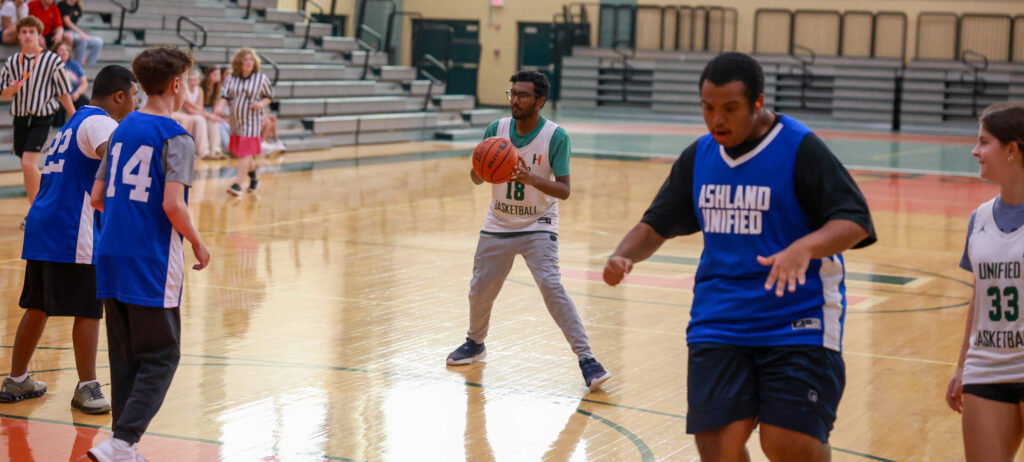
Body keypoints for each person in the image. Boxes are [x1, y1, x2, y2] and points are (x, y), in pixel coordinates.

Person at [602, 52, 875, 461]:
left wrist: (804, 247)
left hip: (796, 319)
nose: (717, 120)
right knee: (719, 448)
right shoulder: (700, 156)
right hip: (720, 319)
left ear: (757, 103)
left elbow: (855, 220)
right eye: (708, 108)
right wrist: (623, 255)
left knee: (786, 443)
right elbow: (656, 223)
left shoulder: (799, 147)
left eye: (730, 109)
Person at [445, 70, 611, 392]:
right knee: (480, 289)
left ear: (540, 101)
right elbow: (476, 177)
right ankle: (475, 343)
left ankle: (587, 359)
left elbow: (564, 190)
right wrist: (482, 168)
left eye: (523, 95)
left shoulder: (555, 136)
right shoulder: (496, 130)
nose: (516, 100)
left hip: (538, 223)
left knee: (551, 285)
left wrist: (531, 178)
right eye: (513, 94)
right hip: (499, 221)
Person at [86, 45, 210, 462]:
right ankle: (123, 442)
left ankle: (123, 447)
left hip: (110, 253)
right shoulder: (177, 137)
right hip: (149, 260)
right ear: (176, 84)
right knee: (161, 355)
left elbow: (97, 197)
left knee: (124, 356)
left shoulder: (121, 130)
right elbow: (173, 205)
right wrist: (197, 241)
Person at [0, 65, 137, 416]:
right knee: (89, 309)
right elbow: (118, 159)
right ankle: (87, 386)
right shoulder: (102, 123)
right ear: (119, 96)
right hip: (72, 228)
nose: (136, 103)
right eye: (134, 96)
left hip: (44, 223)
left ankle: (17, 379)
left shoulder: (73, 123)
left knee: (39, 305)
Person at [946, 102, 1024, 462]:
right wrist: (962, 364)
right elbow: (978, 295)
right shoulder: (979, 218)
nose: (975, 151)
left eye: (983, 142)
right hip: (986, 367)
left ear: (1012, 149)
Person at [0, 16, 74, 228]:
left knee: (28, 163)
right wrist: (11, 89)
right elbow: (4, 94)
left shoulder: (52, 61)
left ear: (39, 35)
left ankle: (37, 213)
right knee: (27, 166)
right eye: (24, 32)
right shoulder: (13, 62)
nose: (27, 35)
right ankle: (45, 205)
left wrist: (75, 115)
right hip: (21, 118)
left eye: (31, 32)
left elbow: (63, 92)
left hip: (42, 116)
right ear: (19, 35)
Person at [213, 48, 272, 195]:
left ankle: (237, 185)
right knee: (244, 152)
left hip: (252, 120)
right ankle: (254, 178)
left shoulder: (261, 78)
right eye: (246, 59)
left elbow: (268, 96)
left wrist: (260, 104)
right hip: (235, 120)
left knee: (245, 151)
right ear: (239, 62)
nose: (249, 62)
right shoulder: (231, 78)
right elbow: (224, 96)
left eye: (251, 59)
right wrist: (220, 107)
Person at [172, 69, 224, 159]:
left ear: (199, 81)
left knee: (212, 121)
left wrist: (209, 116)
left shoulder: (199, 90)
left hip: (195, 113)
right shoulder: (184, 90)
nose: (193, 82)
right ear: (186, 81)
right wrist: (208, 115)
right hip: (185, 113)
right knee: (201, 119)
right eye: (190, 80)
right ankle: (203, 151)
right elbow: (189, 110)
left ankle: (215, 150)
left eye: (195, 80)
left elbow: (199, 108)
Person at [50, 40, 84, 126]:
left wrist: (77, 93)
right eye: (61, 50)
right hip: (58, 97)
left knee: (86, 104)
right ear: (55, 52)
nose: (64, 52)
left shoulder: (74, 65)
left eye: (67, 50)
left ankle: (83, 127)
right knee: (59, 109)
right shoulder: (52, 65)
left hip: (74, 95)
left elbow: (84, 83)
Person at [57, 0, 101, 65]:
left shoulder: (77, 7)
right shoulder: (62, 4)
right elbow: (67, 22)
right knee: (82, 40)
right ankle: (78, 65)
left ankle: (90, 64)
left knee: (98, 42)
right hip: (64, 31)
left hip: (74, 32)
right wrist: (81, 33)